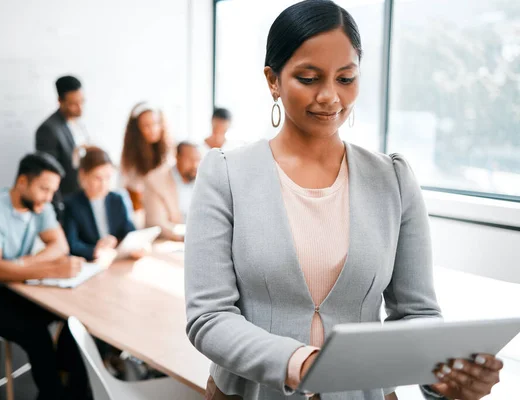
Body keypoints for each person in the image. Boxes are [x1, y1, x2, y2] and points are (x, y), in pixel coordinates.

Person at [184, 2, 503, 400]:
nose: (330, 96)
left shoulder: (394, 180)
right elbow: (208, 316)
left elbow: (417, 315)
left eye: (346, 78)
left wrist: (439, 374)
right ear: (273, 80)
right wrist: (298, 362)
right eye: (309, 77)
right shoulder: (226, 173)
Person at [0, 152, 89, 400]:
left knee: (72, 315)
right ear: (22, 182)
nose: (48, 198)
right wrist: (50, 269)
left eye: (52, 191)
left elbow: (60, 246)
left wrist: (24, 263)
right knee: (36, 334)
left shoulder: (40, 206)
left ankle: (72, 388)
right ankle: (54, 393)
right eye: (44, 189)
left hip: (10, 287)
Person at [63, 146, 143, 262]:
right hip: (91, 264)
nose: (104, 184)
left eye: (108, 177)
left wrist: (138, 246)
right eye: (98, 178)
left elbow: (130, 232)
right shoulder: (72, 204)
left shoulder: (118, 199)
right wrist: (95, 250)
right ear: (83, 175)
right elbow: (72, 244)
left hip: (117, 261)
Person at [36, 75, 89, 218]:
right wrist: (58, 210)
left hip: (85, 197)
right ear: (60, 101)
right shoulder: (48, 129)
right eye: (74, 104)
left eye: (82, 102)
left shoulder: (79, 124)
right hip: (67, 201)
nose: (80, 108)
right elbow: (49, 173)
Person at [143, 141, 201, 241]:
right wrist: (188, 237)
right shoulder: (155, 181)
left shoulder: (203, 179)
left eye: (198, 160)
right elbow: (156, 223)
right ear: (177, 157)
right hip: (170, 241)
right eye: (190, 160)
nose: (195, 165)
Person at [120, 102, 171, 213]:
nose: (153, 129)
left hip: (166, 207)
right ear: (137, 129)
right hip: (141, 210)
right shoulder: (130, 158)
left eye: (156, 123)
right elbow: (130, 191)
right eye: (146, 126)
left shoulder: (169, 150)